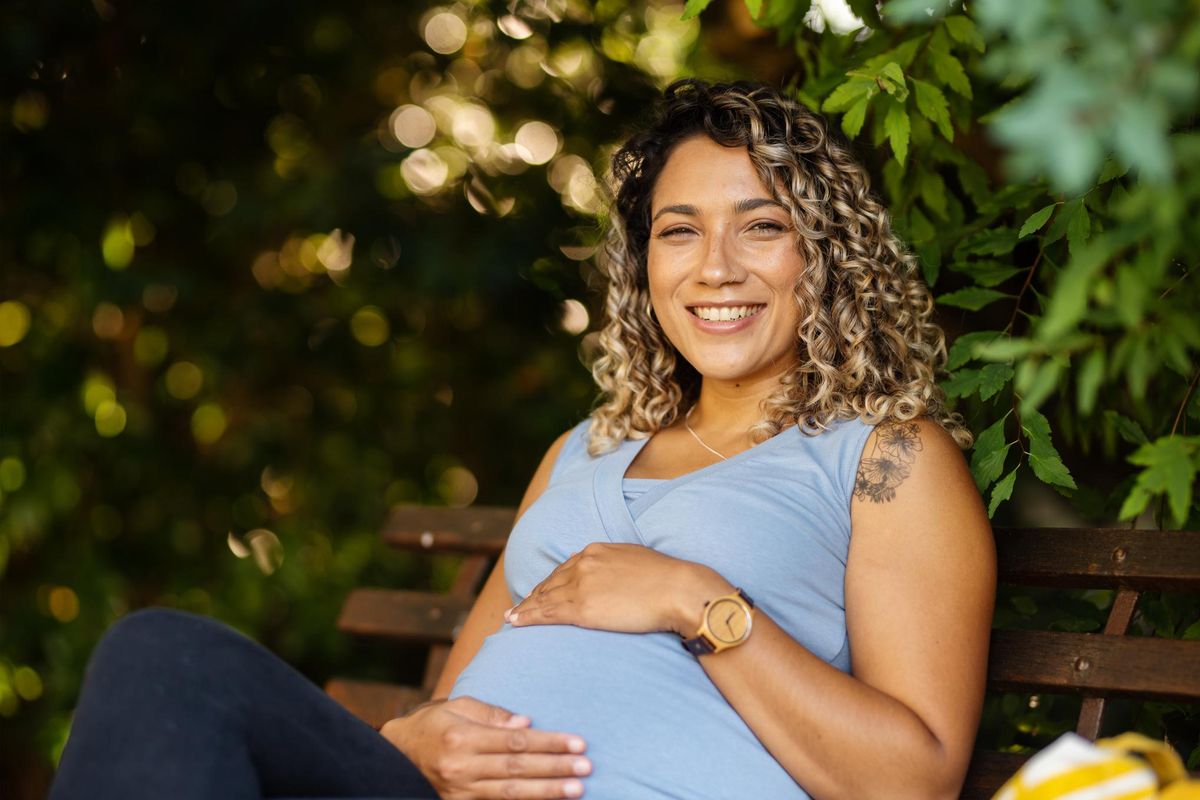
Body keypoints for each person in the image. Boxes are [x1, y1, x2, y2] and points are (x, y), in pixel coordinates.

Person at [49, 79, 995, 800]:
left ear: (825, 256)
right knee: (163, 658)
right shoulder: (586, 446)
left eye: (763, 226)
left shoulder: (885, 458)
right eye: (680, 231)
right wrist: (410, 740)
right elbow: (450, 704)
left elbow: (914, 779)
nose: (716, 266)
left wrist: (693, 598)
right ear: (644, 266)